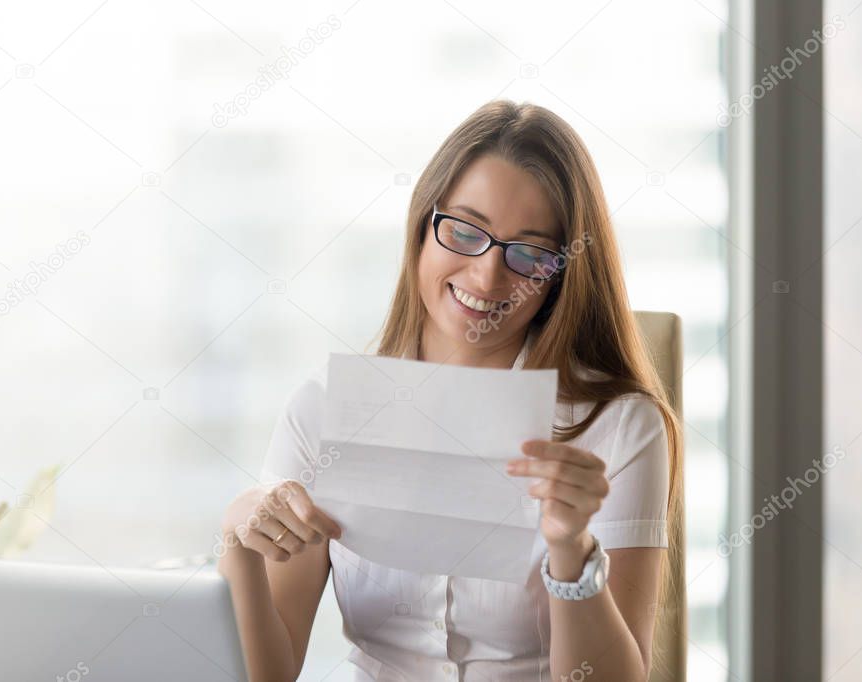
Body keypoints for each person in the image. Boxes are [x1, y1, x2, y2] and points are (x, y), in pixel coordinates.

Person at [218, 99, 683, 682]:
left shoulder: (617, 425)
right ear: (422, 225)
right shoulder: (326, 408)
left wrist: (572, 548)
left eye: (530, 253)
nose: (488, 277)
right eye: (464, 231)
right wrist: (237, 532)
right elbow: (270, 672)